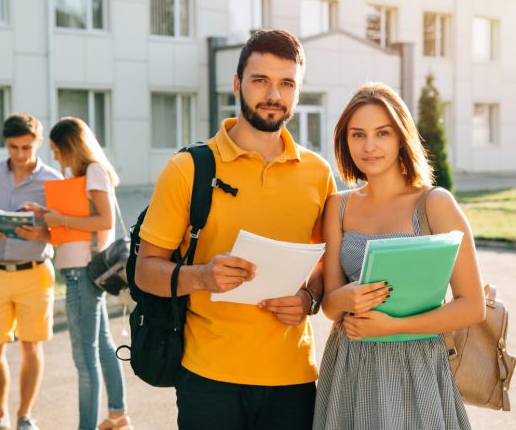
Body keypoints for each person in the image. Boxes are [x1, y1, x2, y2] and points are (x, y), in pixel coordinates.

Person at [136, 29, 336, 430]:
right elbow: (146, 272)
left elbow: (325, 267)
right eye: (260, 80)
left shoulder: (318, 174)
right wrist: (203, 276)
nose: (273, 95)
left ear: (298, 91)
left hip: (293, 378)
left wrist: (309, 298)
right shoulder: (188, 169)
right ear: (237, 85)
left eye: (287, 84)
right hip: (209, 377)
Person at [313, 82, 485, 430]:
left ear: (401, 137)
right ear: (345, 142)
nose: (370, 146)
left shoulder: (435, 203)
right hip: (350, 362)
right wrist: (343, 297)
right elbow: (330, 305)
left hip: (416, 365)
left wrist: (396, 327)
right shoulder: (338, 206)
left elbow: (472, 305)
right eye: (357, 135)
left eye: (382, 133)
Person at [0, 113, 62, 430]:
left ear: (37, 144)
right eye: (13, 147)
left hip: (34, 273)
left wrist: (44, 234)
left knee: (31, 346)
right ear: (5, 144)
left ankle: (24, 415)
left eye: (26, 147)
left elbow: (66, 230)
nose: (20, 154)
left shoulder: (53, 179)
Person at [39, 117, 131, 430]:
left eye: (55, 150)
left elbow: (104, 221)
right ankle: (118, 416)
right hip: (81, 268)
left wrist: (60, 217)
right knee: (102, 346)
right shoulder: (89, 173)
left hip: (81, 270)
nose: (55, 157)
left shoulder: (93, 171)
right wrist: (49, 217)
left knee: (84, 358)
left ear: (68, 146)